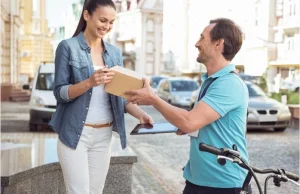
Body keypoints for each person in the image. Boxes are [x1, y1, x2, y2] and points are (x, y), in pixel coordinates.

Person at [125, 18, 251, 194]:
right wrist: (189, 127)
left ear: (218, 44)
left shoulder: (229, 83)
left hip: (223, 183)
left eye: (202, 38)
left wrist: (153, 99)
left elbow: (189, 121)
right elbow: (200, 123)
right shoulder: (211, 81)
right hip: (199, 179)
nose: (196, 44)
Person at [49, 0, 153, 194]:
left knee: (96, 191)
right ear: (87, 15)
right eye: (103, 20)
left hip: (103, 136)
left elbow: (118, 96)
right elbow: (60, 93)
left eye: (111, 22)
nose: (107, 26)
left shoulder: (114, 53)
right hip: (75, 134)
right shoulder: (67, 47)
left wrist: (139, 114)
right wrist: (89, 82)